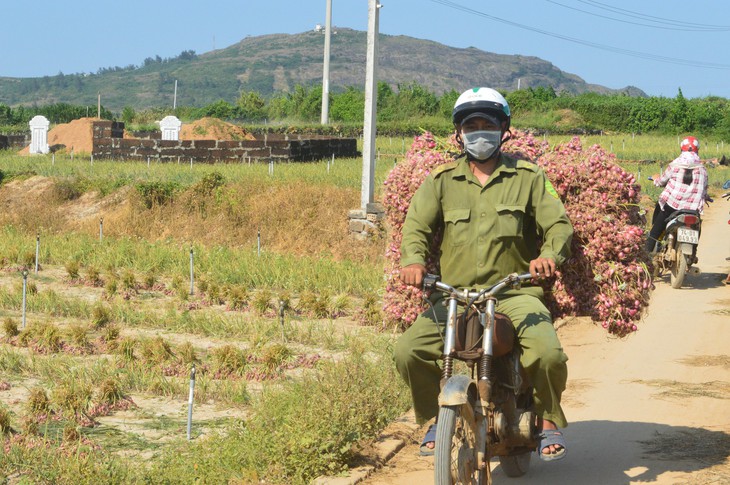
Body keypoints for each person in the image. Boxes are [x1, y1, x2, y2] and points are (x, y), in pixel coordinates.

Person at [394, 87, 574, 462]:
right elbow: (416, 229)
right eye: (470, 125)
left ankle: (547, 420)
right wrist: (413, 261)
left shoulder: (528, 176)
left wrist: (548, 256)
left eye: (487, 125)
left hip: (513, 292)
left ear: (504, 129)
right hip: (454, 296)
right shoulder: (441, 180)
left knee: (548, 354)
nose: (479, 132)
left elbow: (558, 225)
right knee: (408, 351)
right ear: (459, 133)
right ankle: (433, 419)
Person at [645, 136, 709, 253]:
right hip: (692, 209)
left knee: (654, 232)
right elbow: (704, 189)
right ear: (697, 150)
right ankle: (693, 251)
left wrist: (655, 179)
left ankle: (646, 258)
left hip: (672, 206)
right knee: (697, 226)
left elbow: (662, 181)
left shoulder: (674, 165)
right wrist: (705, 196)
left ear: (681, 149)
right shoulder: (702, 169)